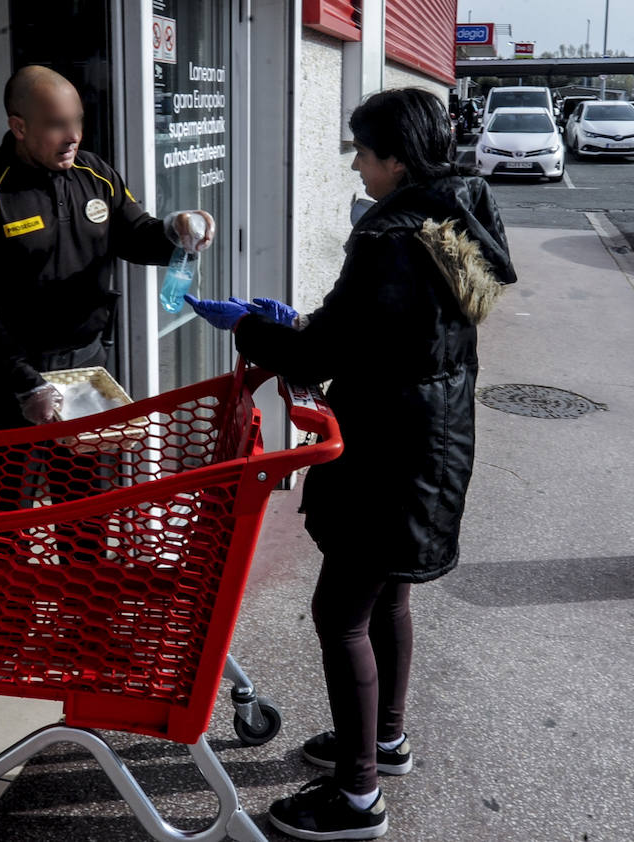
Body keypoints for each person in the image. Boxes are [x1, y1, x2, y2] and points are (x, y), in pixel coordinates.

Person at [186, 87, 516, 840]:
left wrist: (255, 330)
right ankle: (385, 740)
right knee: (387, 596)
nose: (357, 165)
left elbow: (326, 351)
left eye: (363, 152)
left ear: (396, 160)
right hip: (434, 431)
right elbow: (389, 329)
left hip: (388, 443)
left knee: (340, 613)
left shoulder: (389, 234)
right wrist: (298, 322)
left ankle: (358, 797)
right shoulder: (457, 214)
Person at [0, 65, 213, 432]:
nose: (73, 136)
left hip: (85, 369)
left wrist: (174, 232)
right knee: (9, 491)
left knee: (87, 489)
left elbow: (134, 235)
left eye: (78, 121)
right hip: (7, 380)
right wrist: (25, 382)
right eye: (57, 125)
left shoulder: (94, 173)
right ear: (19, 127)